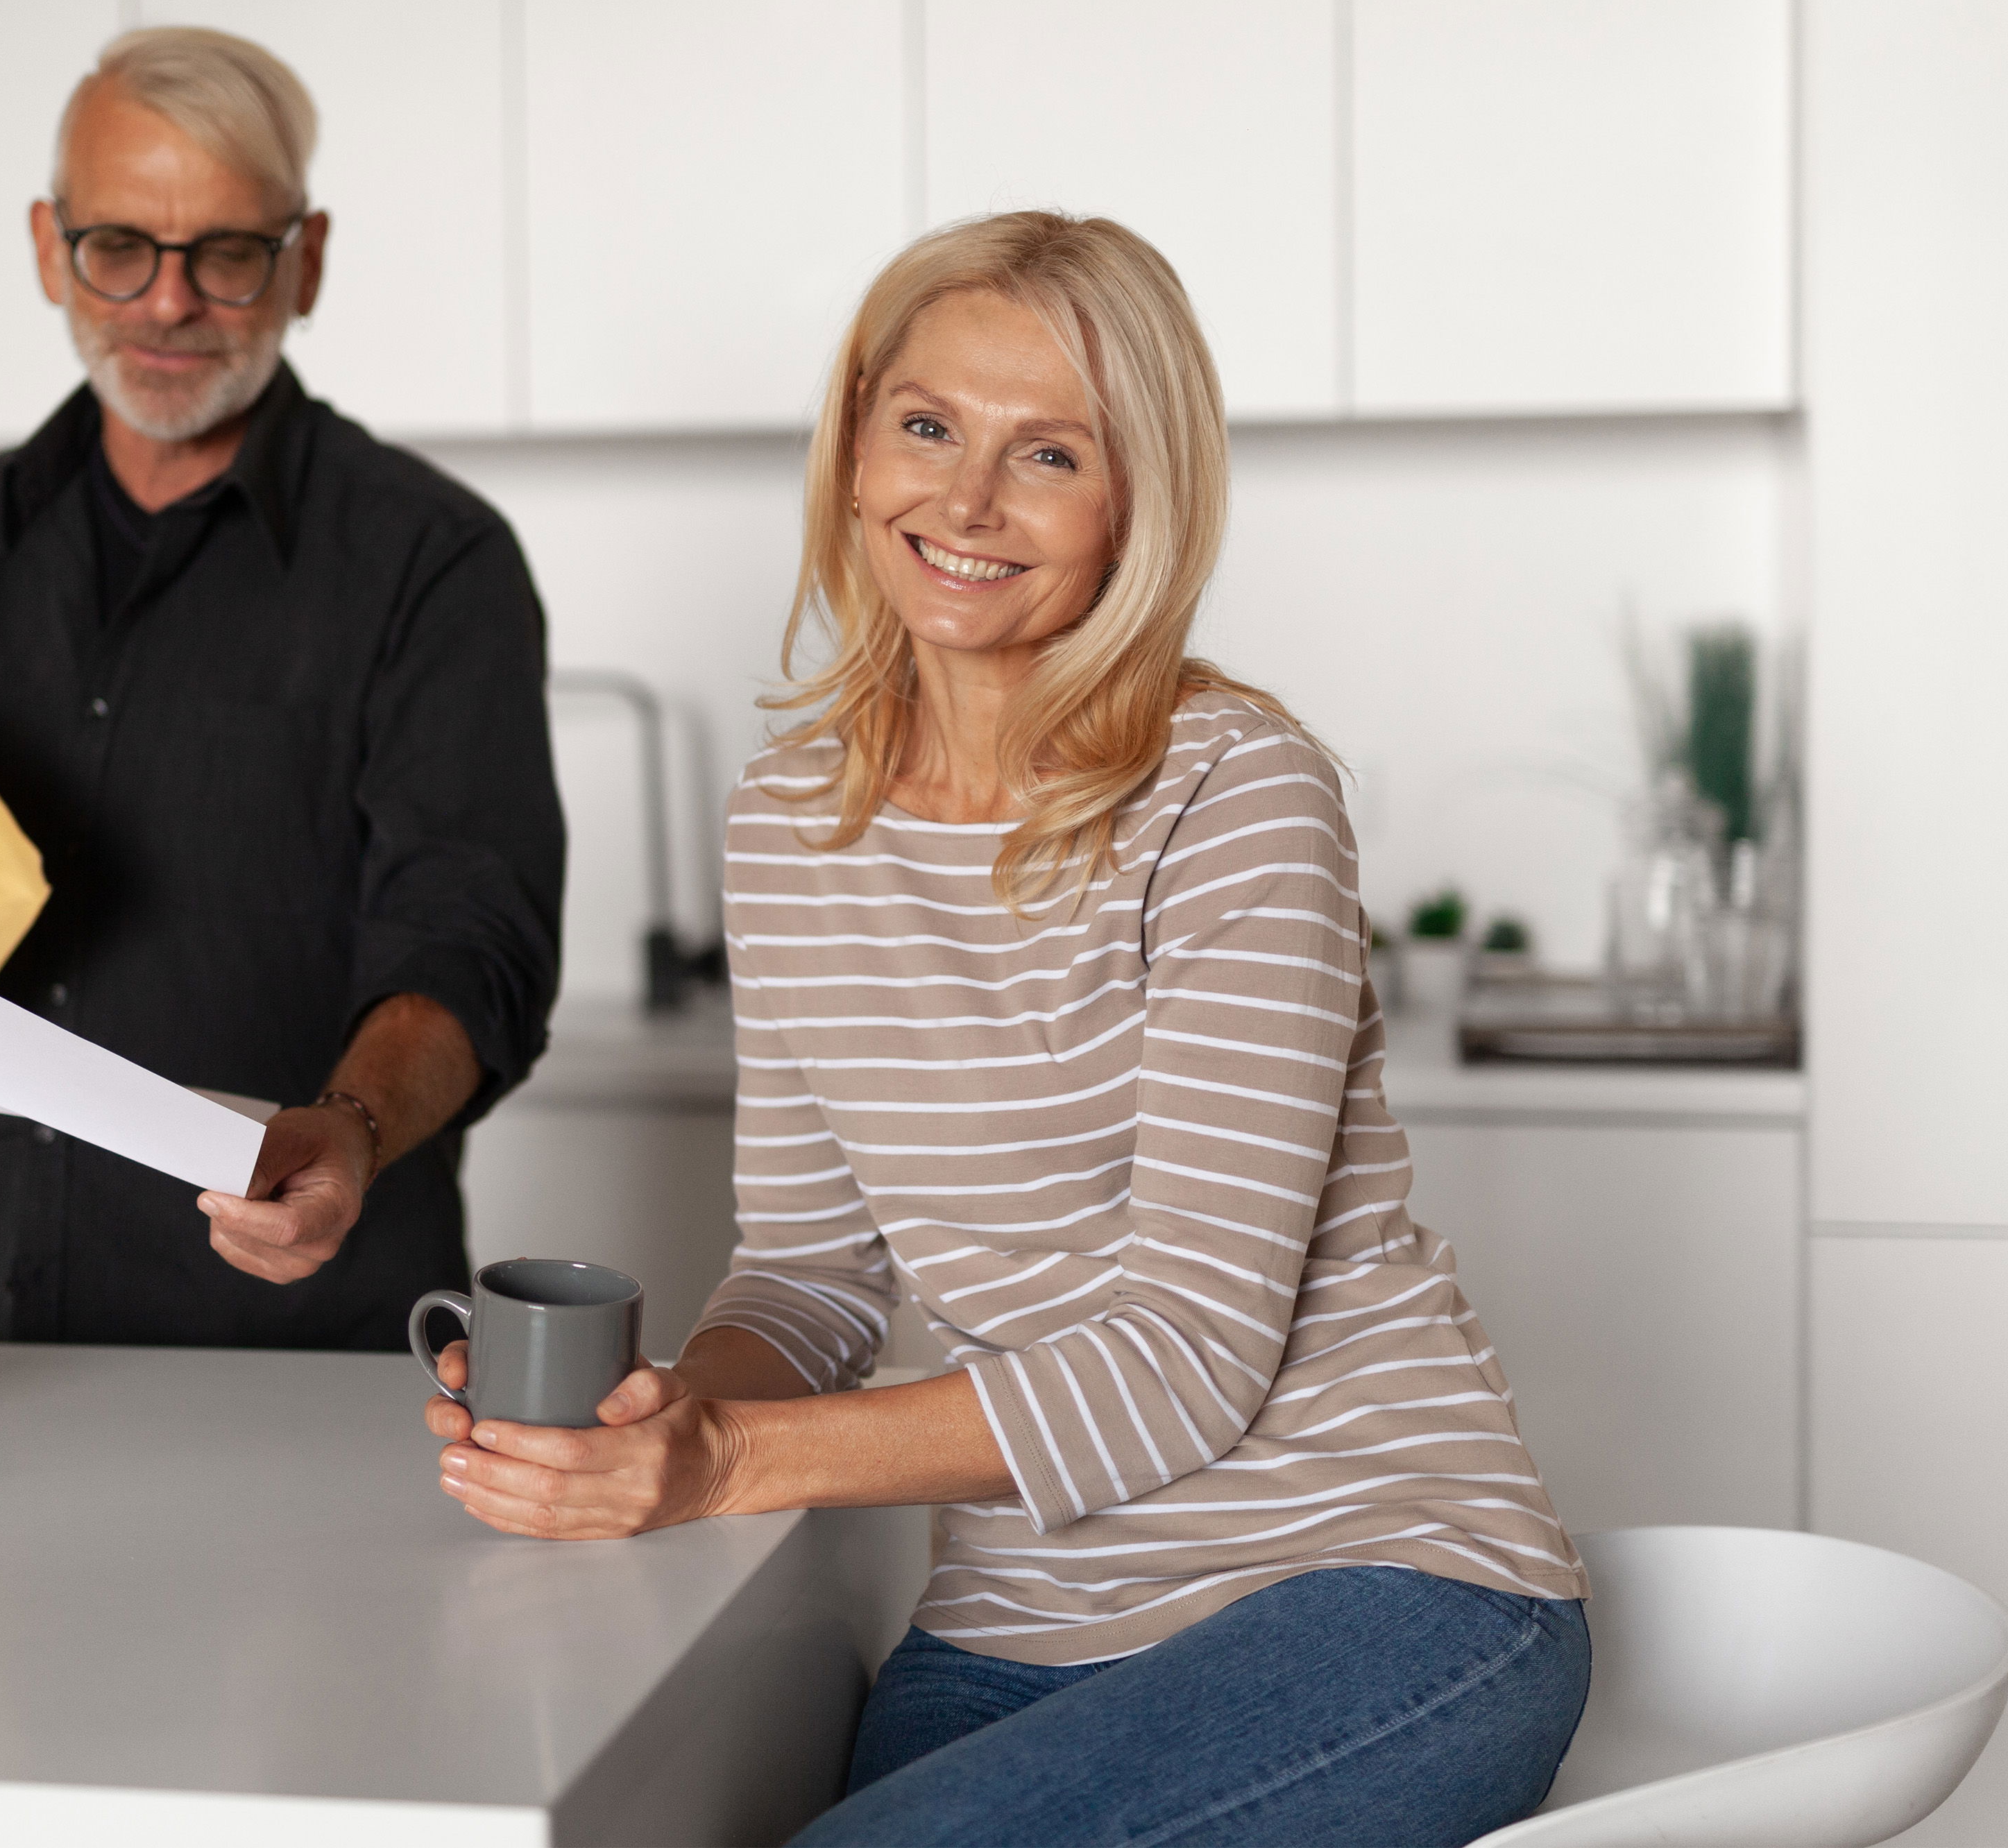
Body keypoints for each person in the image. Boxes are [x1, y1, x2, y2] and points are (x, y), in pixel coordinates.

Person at [420, 212, 1588, 1845]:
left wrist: (723, 1462)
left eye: (1047, 453)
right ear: (853, 444)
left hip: (1376, 1582)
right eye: (926, 427)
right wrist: (658, 1421)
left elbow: (1186, 1361)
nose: (964, 503)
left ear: (1139, 503)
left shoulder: (1234, 794)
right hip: (1017, 1620)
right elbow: (815, 1274)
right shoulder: (792, 823)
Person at [0, 27, 564, 1351]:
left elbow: (473, 940)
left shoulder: (437, 561)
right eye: (118, 246)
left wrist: (352, 1131)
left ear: (306, 260)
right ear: (45, 246)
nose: (168, 304)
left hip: (290, 1351)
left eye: (229, 253)